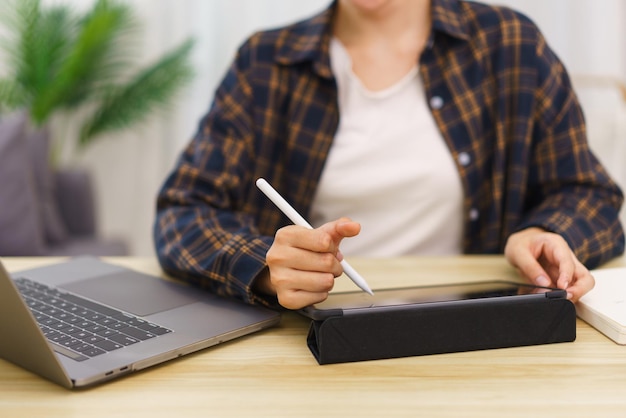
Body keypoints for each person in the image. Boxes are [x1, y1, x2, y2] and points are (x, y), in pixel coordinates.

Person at [153, 0, 624, 310]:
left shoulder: (511, 46)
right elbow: (183, 212)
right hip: (315, 339)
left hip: (476, 333)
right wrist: (264, 268)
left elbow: (589, 194)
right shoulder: (266, 62)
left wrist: (543, 233)